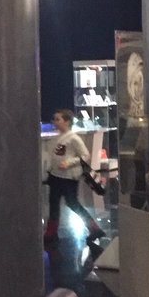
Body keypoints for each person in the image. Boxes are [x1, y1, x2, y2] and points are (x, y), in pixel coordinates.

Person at [45, 108, 105, 266]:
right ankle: (51, 232)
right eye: (54, 119)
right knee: (54, 203)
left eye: (58, 119)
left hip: (68, 177)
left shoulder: (73, 139)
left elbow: (85, 155)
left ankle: (93, 227)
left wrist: (69, 162)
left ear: (66, 121)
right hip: (56, 176)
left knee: (72, 203)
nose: (55, 122)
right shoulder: (57, 138)